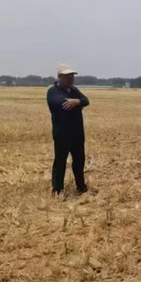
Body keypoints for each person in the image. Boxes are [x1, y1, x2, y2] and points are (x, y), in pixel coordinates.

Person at [47, 63, 91, 196]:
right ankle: (57, 189)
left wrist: (77, 102)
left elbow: (86, 101)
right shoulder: (52, 91)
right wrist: (78, 103)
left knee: (79, 161)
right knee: (60, 162)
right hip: (62, 134)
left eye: (72, 76)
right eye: (68, 76)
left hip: (77, 133)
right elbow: (61, 103)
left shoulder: (74, 90)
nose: (71, 79)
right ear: (60, 77)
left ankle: (81, 187)